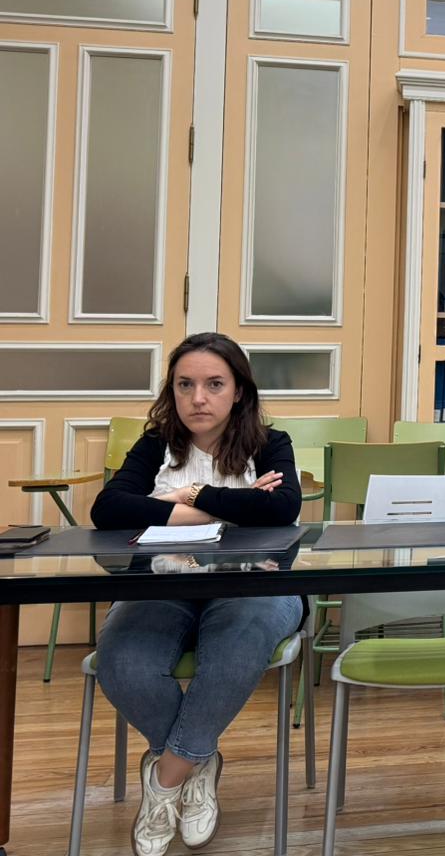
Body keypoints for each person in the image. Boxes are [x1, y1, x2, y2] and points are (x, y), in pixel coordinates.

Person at [89, 333, 303, 856]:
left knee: (233, 652)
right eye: (185, 385)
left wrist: (189, 494)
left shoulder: (271, 443)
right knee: (123, 663)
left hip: (255, 584)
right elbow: (109, 509)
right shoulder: (155, 445)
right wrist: (230, 504)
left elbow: (281, 510)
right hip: (163, 583)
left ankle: (166, 778)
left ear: (239, 391)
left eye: (214, 385)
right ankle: (196, 759)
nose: (198, 398)